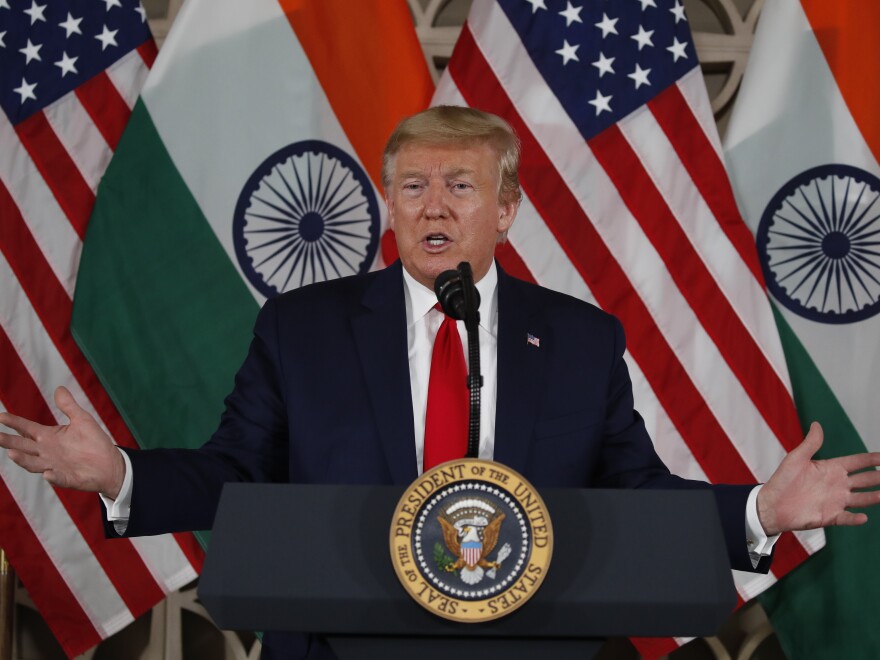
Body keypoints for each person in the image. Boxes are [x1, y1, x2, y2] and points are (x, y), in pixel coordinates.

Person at [2, 106, 880, 659]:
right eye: (412, 185)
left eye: (460, 185)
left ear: (506, 210)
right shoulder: (302, 330)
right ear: (386, 202)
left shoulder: (577, 338)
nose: (432, 206)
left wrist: (759, 513)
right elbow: (232, 470)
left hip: (528, 644)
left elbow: (634, 494)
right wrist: (119, 473)